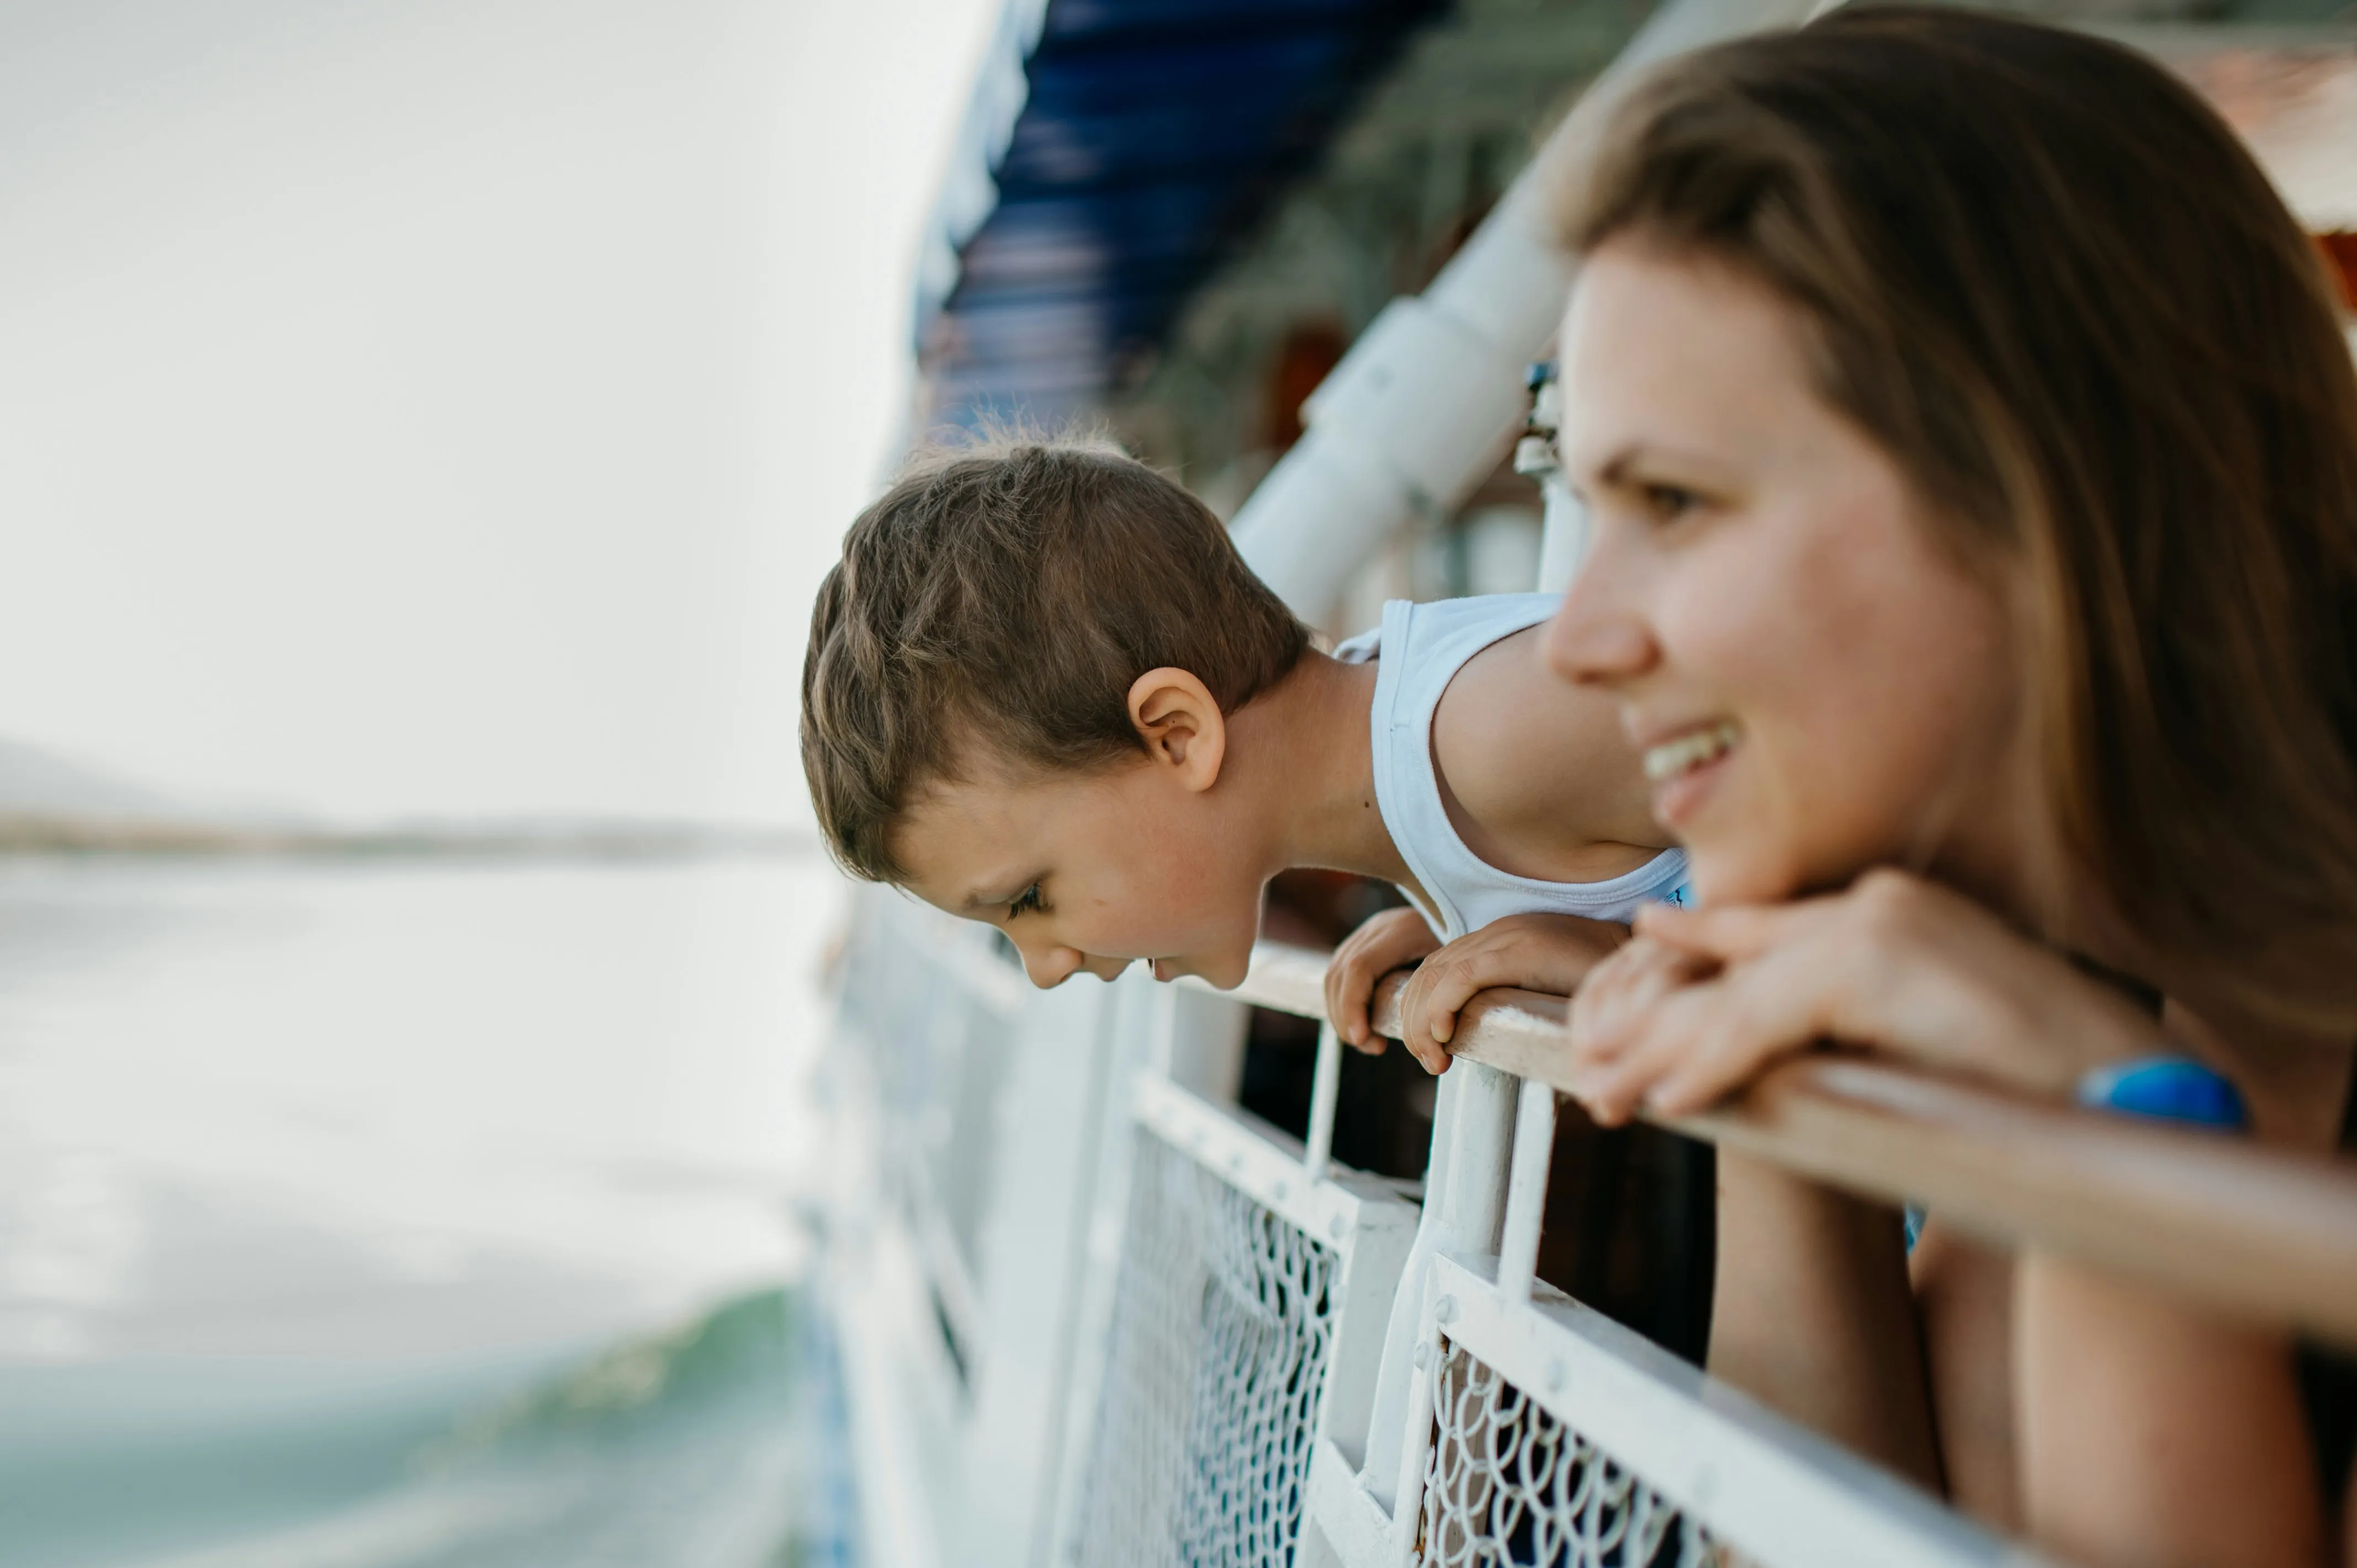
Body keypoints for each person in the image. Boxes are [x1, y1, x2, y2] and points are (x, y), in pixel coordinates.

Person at [1397, 10, 2357, 1566]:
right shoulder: (2042, 991)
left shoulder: (2091, 1032)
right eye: (1591, 505)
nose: (1574, 641)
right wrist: (1755, 1037)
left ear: (2042, 492)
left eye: (1674, 501)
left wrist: (2110, 1115)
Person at [797, 436, 1683, 1007]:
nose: (1044, 966)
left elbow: (1820, 782)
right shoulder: (1435, 781)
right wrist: (1482, 919)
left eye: (1029, 897)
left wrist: (1631, 965)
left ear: (1178, 734)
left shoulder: (1497, 739)